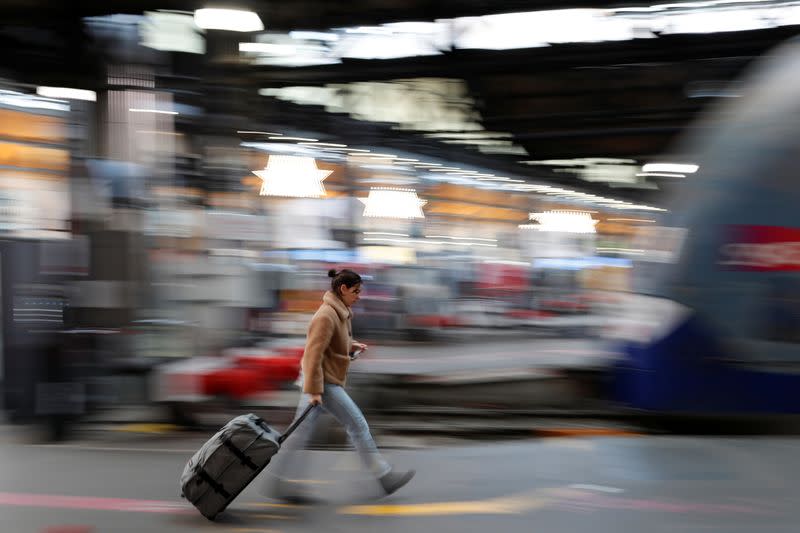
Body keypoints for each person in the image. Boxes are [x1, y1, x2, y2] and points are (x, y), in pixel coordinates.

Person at [267, 268, 414, 503]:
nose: (359, 296)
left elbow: (333, 344)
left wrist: (351, 346)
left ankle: (280, 482)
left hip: (321, 381)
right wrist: (314, 391)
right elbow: (312, 356)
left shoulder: (338, 312)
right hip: (322, 383)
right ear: (343, 289)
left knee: (300, 434)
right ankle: (383, 476)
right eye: (356, 291)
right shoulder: (326, 315)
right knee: (357, 425)